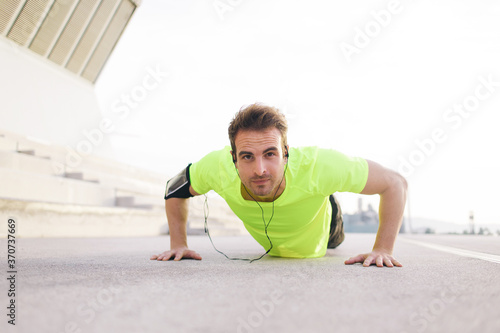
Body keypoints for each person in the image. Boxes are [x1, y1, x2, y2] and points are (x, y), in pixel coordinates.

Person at [150, 103, 407, 267]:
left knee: (332, 234)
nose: (260, 169)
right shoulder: (217, 167)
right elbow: (174, 189)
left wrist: (382, 249)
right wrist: (178, 244)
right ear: (233, 159)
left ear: (286, 153)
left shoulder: (320, 165)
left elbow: (395, 183)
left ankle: (326, 201)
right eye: (247, 156)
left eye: (270, 154)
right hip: (277, 241)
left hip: (323, 226)